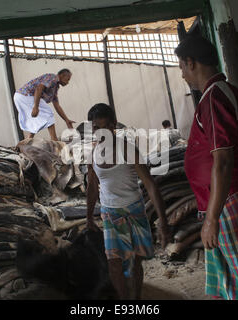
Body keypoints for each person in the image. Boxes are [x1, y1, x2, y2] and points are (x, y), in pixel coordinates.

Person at [175, 35, 238, 300]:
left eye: (181, 68)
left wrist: (211, 219)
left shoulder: (215, 97)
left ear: (191, 63)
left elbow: (223, 161)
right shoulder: (218, 95)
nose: (183, 75)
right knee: (234, 281)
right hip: (225, 201)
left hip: (232, 201)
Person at [85, 103, 172, 300]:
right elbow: (92, 187)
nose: (99, 133)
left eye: (104, 127)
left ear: (114, 125)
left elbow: (150, 184)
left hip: (134, 210)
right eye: (95, 128)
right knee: (114, 262)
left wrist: (163, 222)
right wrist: (89, 216)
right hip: (109, 212)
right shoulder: (93, 153)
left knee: (134, 262)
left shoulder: (128, 149)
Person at [13, 69, 75, 141]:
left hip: (19, 96)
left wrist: (66, 120)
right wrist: (35, 107)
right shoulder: (53, 78)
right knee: (48, 112)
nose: (68, 82)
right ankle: (54, 139)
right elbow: (39, 88)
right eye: (67, 79)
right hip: (25, 95)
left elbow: (57, 105)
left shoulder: (55, 87)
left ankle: (29, 139)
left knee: (36, 118)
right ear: (61, 75)